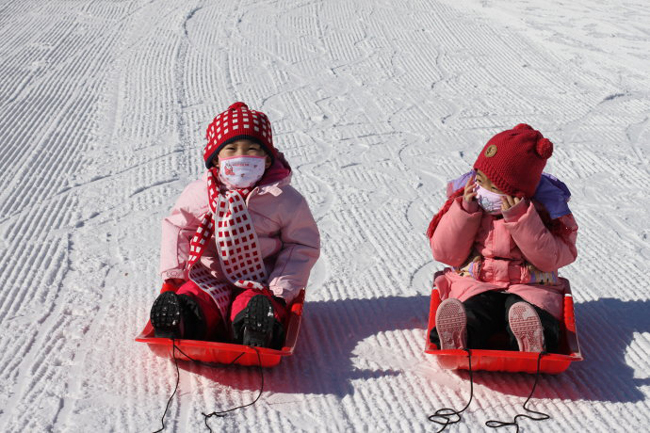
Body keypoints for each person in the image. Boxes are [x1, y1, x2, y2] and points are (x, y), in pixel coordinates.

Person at [149, 102, 320, 348]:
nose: (243, 158)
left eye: (253, 150)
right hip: (210, 276)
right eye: (232, 149)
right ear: (216, 159)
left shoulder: (283, 198)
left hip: (261, 281)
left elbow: (301, 244)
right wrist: (174, 277)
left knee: (254, 304)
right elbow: (178, 229)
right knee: (196, 297)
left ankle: (256, 329)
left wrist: (281, 289)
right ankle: (180, 320)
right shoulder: (199, 194)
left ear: (268, 160)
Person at [426, 124, 578, 353]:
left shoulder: (544, 212)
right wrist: (465, 212)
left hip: (530, 285)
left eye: (493, 186)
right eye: (480, 178)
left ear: (519, 192)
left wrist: (521, 219)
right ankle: (459, 335)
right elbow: (445, 252)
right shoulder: (468, 201)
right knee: (472, 311)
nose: (482, 189)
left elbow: (551, 258)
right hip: (477, 282)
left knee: (530, 311)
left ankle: (533, 340)